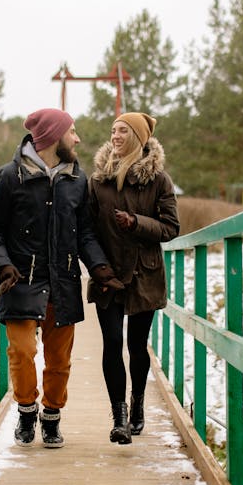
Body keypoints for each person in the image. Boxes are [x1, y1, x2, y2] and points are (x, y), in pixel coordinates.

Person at [0, 108, 123, 448]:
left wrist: (100, 267)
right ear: (52, 138)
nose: (77, 139)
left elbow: (86, 232)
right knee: (22, 351)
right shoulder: (9, 175)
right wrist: (2, 265)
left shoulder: (77, 179)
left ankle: (51, 418)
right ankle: (26, 411)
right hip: (20, 280)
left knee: (59, 359)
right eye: (71, 132)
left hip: (63, 280)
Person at [87, 111, 179, 444]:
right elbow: (87, 230)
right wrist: (98, 266)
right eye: (113, 130)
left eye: (123, 130)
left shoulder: (159, 180)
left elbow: (171, 228)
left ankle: (137, 403)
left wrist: (137, 223)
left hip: (144, 273)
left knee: (137, 346)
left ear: (138, 137)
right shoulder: (98, 180)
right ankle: (119, 417)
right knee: (111, 343)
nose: (115, 135)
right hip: (108, 274)